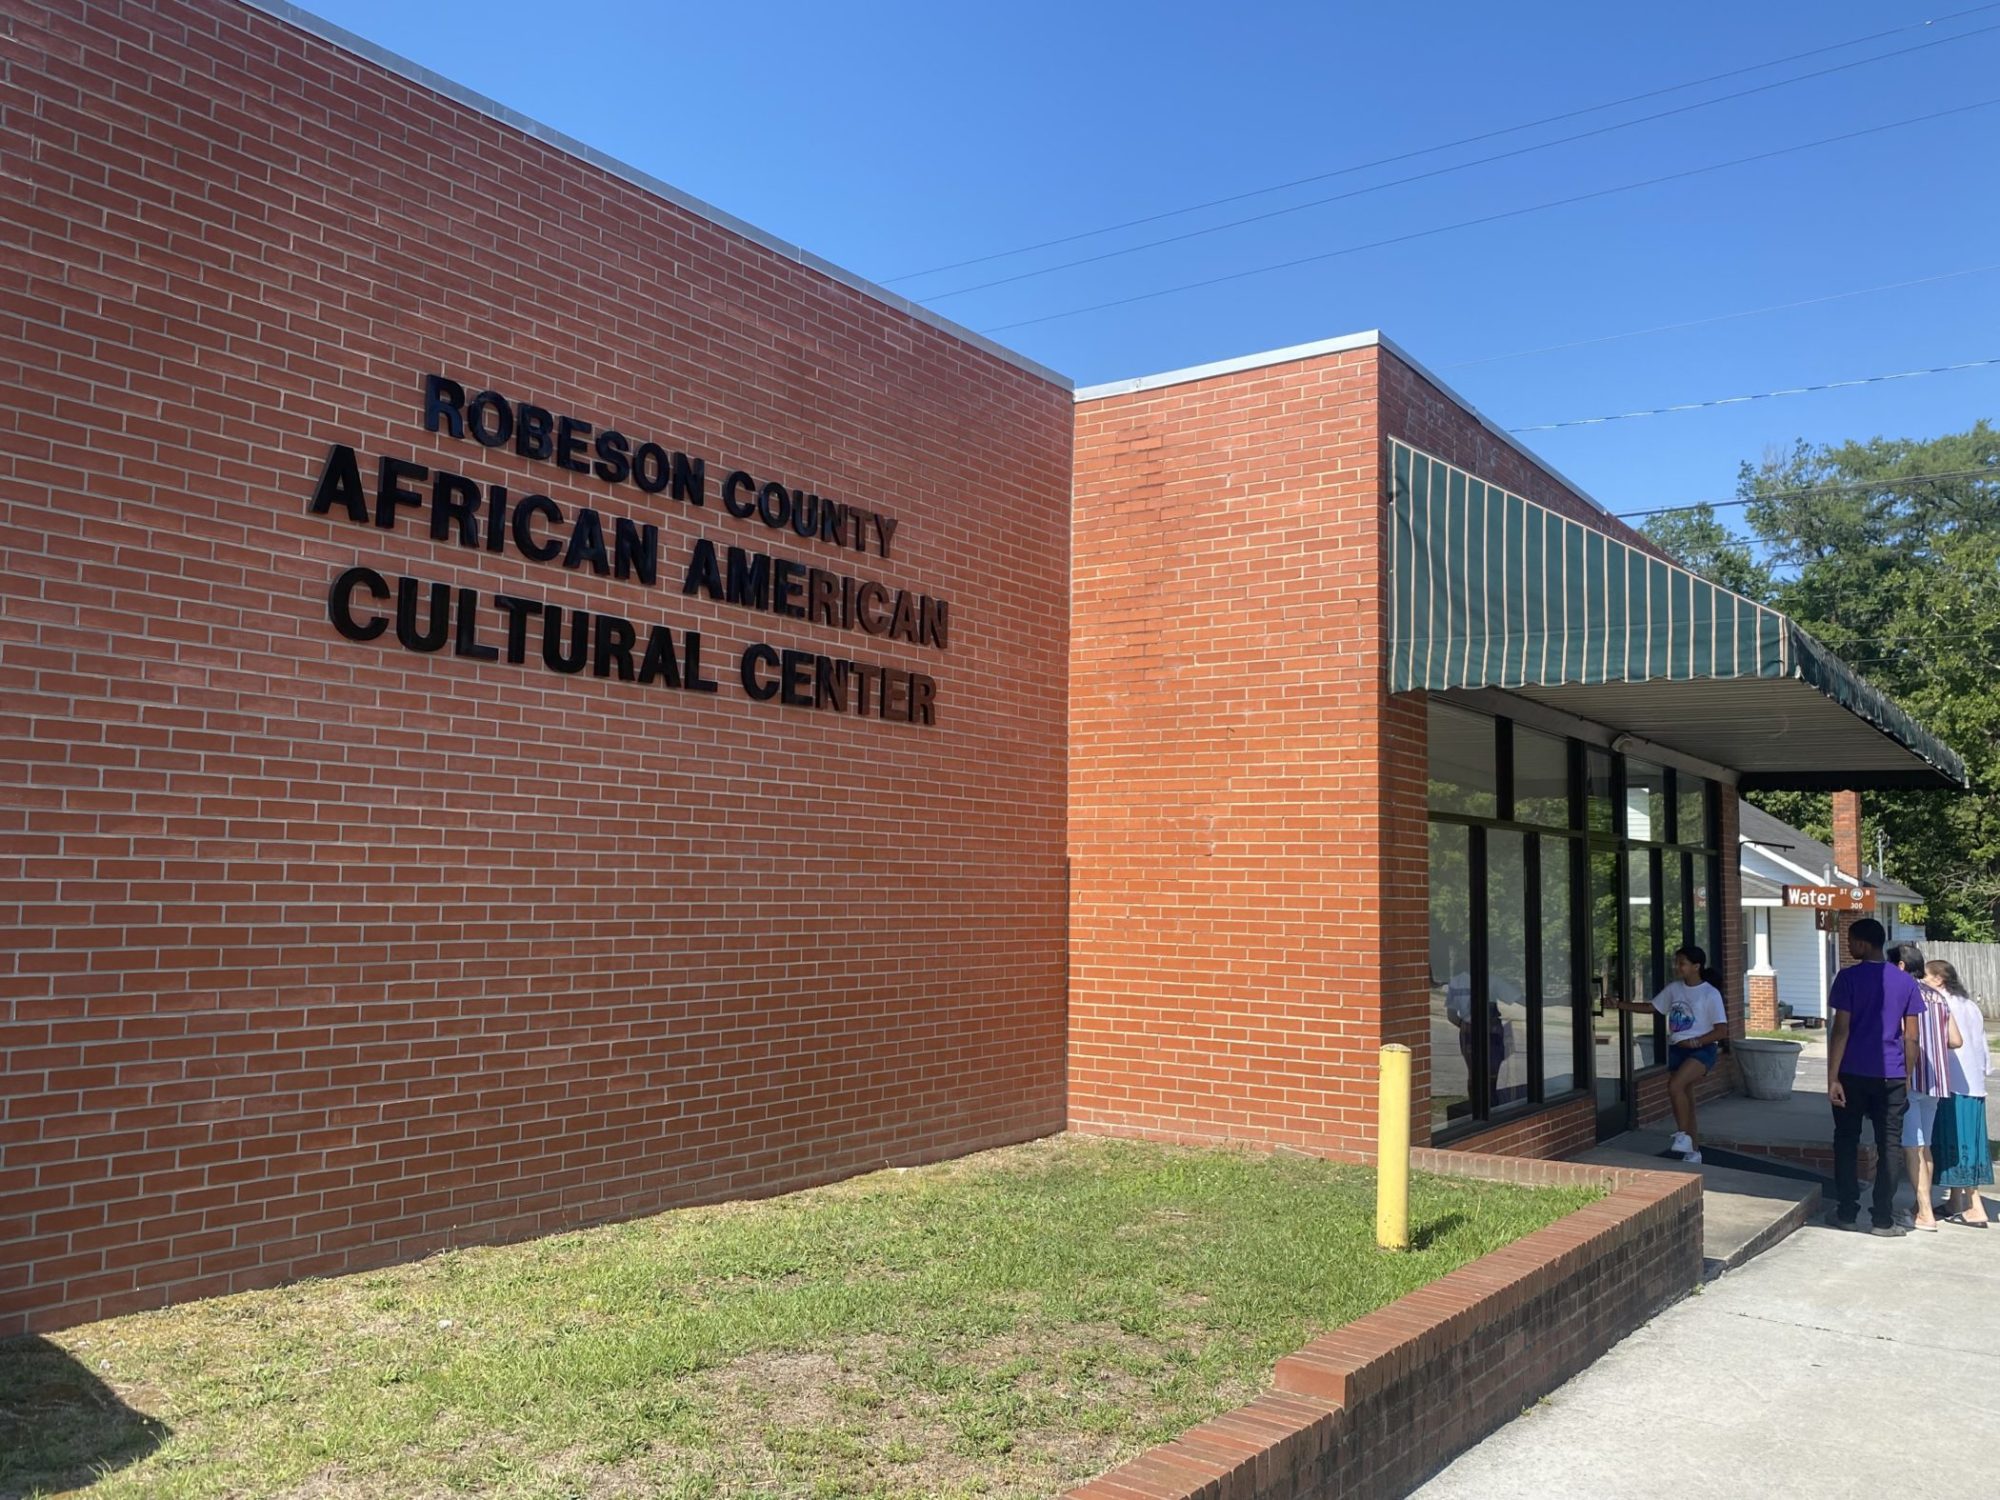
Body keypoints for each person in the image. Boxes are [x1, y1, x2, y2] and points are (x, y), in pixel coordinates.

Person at [1826, 919, 1926, 1235]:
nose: (1849, 947)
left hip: (1853, 1071)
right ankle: (1882, 1219)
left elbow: (1841, 1029)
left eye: (1852, 941)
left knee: (1845, 1140)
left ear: (1865, 944)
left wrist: (1832, 1077)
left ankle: (1846, 1213)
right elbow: (1911, 1037)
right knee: (1890, 1145)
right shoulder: (1906, 982)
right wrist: (1907, 1076)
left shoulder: (1847, 978)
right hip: (1892, 1073)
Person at [1613, 945, 1727, 1163]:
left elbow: (1722, 1030)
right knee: (1687, 1100)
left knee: (1675, 1086)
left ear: (1696, 966)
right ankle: (1693, 1152)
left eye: (1682, 963)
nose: (1677, 967)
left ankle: (1683, 1136)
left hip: (1701, 1050)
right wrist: (1620, 1005)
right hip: (1677, 1049)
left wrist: (1696, 1041)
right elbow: (1653, 1007)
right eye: (1676, 962)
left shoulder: (1710, 994)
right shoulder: (1675, 989)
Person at [1889, 944, 1958, 1231]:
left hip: (1912, 1076)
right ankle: (1921, 1208)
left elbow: (1907, 1035)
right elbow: (1955, 1039)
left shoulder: (1906, 991)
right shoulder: (1939, 996)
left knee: (1911, 1147)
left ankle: (1926, 1214)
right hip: (1936, 1078)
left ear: (1901, 966)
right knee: (1924, 1146)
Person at [1924, 960, 1992, 1228]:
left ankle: (1975, 1205)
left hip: (1954, 1082)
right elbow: (1982, 1044)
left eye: (1927, 978)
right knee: (1957, 1142)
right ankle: (1955, 1199)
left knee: (1962, 1143)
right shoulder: (1969, 1005)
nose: (1923, 982)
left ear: (1939, 979)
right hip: (1972, 1081)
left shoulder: (1941, 1003)